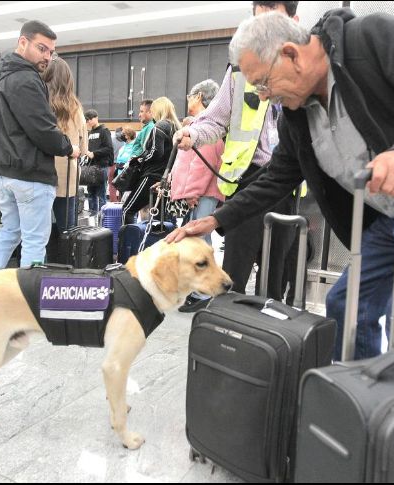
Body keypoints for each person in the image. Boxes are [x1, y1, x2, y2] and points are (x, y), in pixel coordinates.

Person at [167, 8, 394, 360]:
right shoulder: (298, 115)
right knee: (346, 306)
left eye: (263, 83)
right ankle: (356, 390)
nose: (264, 96)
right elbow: (279, 175)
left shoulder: (369, 40)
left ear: (291, 54)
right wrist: (218, 219)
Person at [173, 1, 300, 305]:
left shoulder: (303, 68)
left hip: (287, 183)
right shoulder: (242, 68)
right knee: (235, 270)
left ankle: (269, 339)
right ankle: (229, 333)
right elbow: (215, 119)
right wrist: (192, 134)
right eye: (258, 22)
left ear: (294, 22)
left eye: (274, 22)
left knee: (277, 272)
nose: (264, 32)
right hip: (247, 180)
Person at [0, 20, 81, 276]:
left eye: (51, 52)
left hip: (3, 171)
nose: (47, 57)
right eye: (42, 48)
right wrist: (68, 148)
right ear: (23, 42)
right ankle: (28, 299)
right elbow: (43, 129)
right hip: (30, 173)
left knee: (9, 232)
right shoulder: (26, 79)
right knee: (34, 241)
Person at [169, 80, 226, 312]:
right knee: (200, 242)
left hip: (202, 194)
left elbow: (203, 165)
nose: (188, 99)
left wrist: (192, 192)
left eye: (190, 95)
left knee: (199, 242)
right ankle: (201, 289)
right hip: (200, 193)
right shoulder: (201, 125)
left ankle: (202, 292)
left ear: (199, 96)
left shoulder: (204, 126)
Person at [41, 57, 87, 232]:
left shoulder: (39, 105)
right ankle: (68, 260)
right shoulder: (76, 109)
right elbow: (83, 150)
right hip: (68, 178)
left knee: (36, 234)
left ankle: (37, 261)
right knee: (68, 231)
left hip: (41, 176)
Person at [122, 96, 181, 225]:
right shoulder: (177, 128)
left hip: (151, 176)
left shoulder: (159, 126)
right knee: (161, 219)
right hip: (166, 179)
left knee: (127, 210)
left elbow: (155, 152)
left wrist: (139, 160)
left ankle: (128, 244)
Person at [83, 109, 113, 215]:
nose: (88, 122)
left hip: (101, 166)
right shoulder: (90, 133)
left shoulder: (104, 131)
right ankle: (92, 217)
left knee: (101, 194)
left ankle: (103, 219)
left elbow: (109, 148)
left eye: (90, 119)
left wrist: (94, 153)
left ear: (96, 118)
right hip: (91, 167)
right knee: (91, 193)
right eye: (87, 120)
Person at [112, 127, 137, 202]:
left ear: (128, 136)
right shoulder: (124, 146)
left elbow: (133, 160)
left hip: (129, 176)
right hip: (120, 176)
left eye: (124, 134)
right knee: (121, 198)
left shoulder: (134, 146)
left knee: (127, 199)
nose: (121, 135)